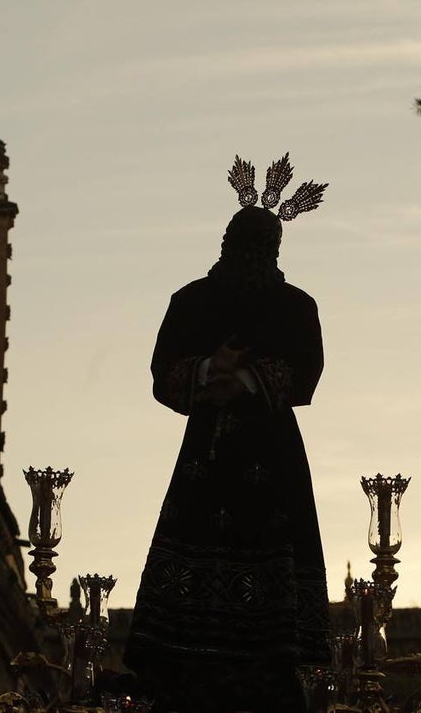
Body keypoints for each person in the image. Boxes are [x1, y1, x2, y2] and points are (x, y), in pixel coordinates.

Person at [124, 155, 332, 712]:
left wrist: (238, 379)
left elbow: (305, 372)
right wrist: (203, 373)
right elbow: (163, 372)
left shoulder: (295, 307)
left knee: (273, 603)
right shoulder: (191, 301)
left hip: (270, 454)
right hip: (207, 458)